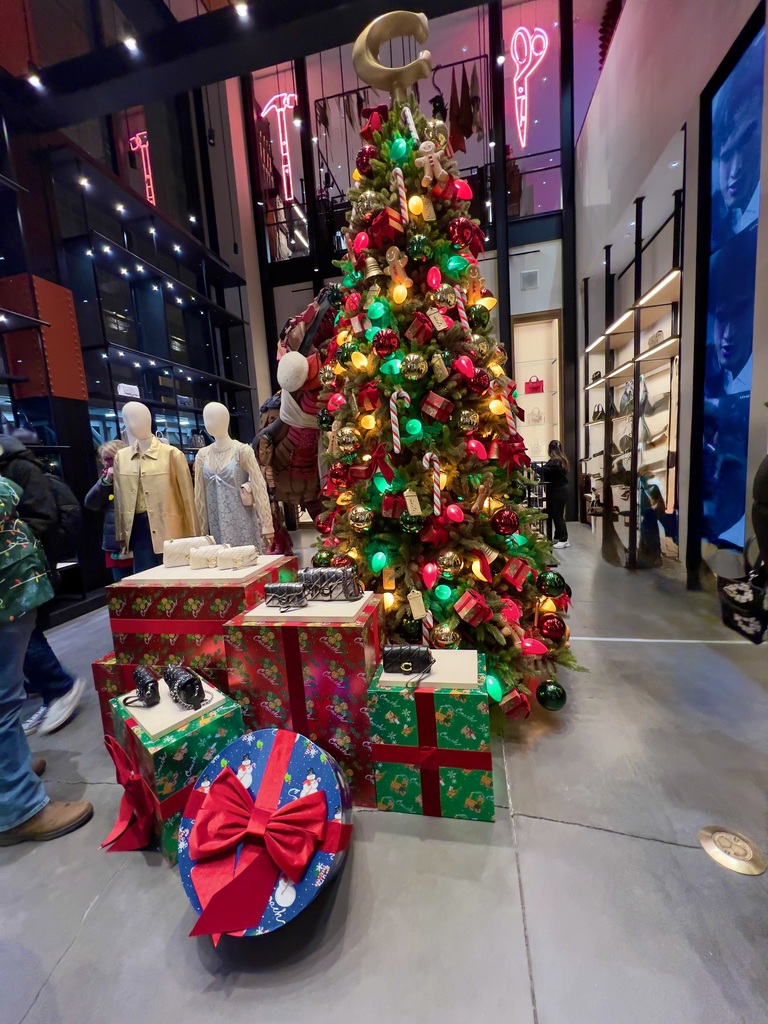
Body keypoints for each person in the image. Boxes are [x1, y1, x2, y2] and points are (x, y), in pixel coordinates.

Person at [0, 476, 93, 846]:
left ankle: (13, 775)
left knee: (8, 698)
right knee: (4, 702)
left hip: (10, 596)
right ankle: (19, 807)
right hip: (4, 601)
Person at [0, 435, 86, 736]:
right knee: (22, 635)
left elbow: (43, 516)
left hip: (19, 569)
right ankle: (49, 690)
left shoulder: (21, 469)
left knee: (23, 632)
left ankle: (58, 687)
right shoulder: (14, 469)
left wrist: (13, 540)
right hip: (17, 569)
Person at [84, 440, 134, 582]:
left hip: (136, 541)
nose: (106, 463)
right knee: (121, 588)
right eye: (103, 459)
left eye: (110, 459)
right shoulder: (106, 479)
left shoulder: (133, 475)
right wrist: (106, 481)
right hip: (116, 545)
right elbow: (91, 503)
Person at [539, 440, 570, 548]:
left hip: (559, 491)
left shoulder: (555, 461)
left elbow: (543, 470)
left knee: (557, 515)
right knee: (555, 514)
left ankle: (564, 539)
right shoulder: (561, 460)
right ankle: (558, 536)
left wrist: (531, 465)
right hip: (561, 490)